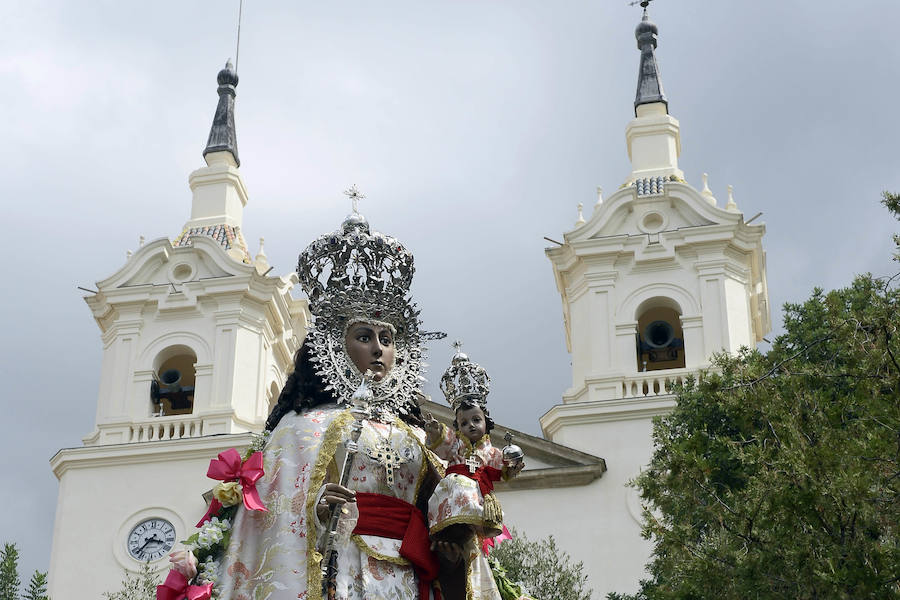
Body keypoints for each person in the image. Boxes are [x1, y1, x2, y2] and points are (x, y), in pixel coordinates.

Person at [205, 208, 465, 600]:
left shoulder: (415, 436)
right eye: (364, 336)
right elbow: (275, 520)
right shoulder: (300, 430)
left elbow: (439, 514)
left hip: (409, 581)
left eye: (388, 339)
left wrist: (452, 545)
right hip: (338, 571)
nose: (379, 348)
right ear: (335, 347)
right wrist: (315, 509)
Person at [423, 346, 526, 600]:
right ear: (457, 426)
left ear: (486, 421)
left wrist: (511, 468)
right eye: (464, 422)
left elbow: (502, 468)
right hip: (455, 489)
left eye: (476, 420)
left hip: (477, 496)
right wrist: (435, 433)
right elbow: (441, 443)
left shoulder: (490, 450)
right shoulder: (456, 443)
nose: (471, 426)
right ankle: (447, 526)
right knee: (453, 487)